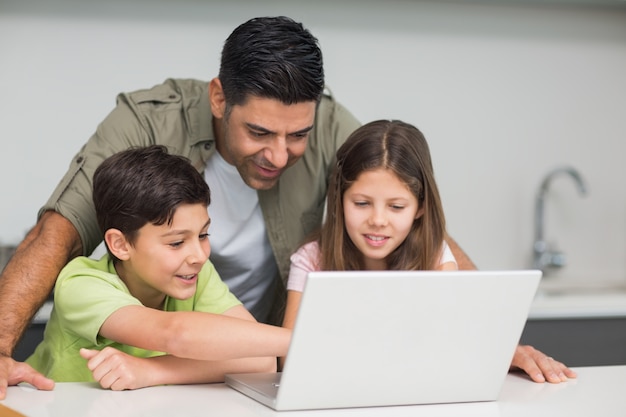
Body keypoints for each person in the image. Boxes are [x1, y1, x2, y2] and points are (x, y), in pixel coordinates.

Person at [0, 16, 565, 398]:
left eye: (298, 135)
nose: (279, 154)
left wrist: (488, 337)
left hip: (251, 364)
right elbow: (58, 232)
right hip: (210, 353)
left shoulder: (327, 130)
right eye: (259, 132)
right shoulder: (149, 121)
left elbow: (414, 213)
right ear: (219, 99)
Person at [281, 120, 577, 384]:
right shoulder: (311, 259)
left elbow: (453, 346)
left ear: (420, 207)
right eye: (361, 203)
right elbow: (288, 356)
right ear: (339, 200)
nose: (378, 220)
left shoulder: (435, 257)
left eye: (396, 207)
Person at [25, 145, 291, 389]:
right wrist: (301, 339)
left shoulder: (193, 271)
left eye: (203, 235)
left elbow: (261, 359)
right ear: (120, 245)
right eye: (176, 242)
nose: (198, 255)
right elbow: (175, 334)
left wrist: (151, 371)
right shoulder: (80, 284)